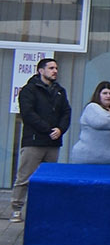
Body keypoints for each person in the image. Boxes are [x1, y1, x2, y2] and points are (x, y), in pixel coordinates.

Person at [11, 56, 69, 222]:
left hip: (53, 142)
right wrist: (48, 129)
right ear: (41, 70)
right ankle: (16, 208)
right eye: (51, 68)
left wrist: (60, 129)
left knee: (49, 177)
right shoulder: (29, 90)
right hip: (34, 141)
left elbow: (66, 112)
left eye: (56, 68)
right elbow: (28, 114)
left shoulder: (59, 91)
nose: (55, 71)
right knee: (24, 176)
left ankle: (45, 208)